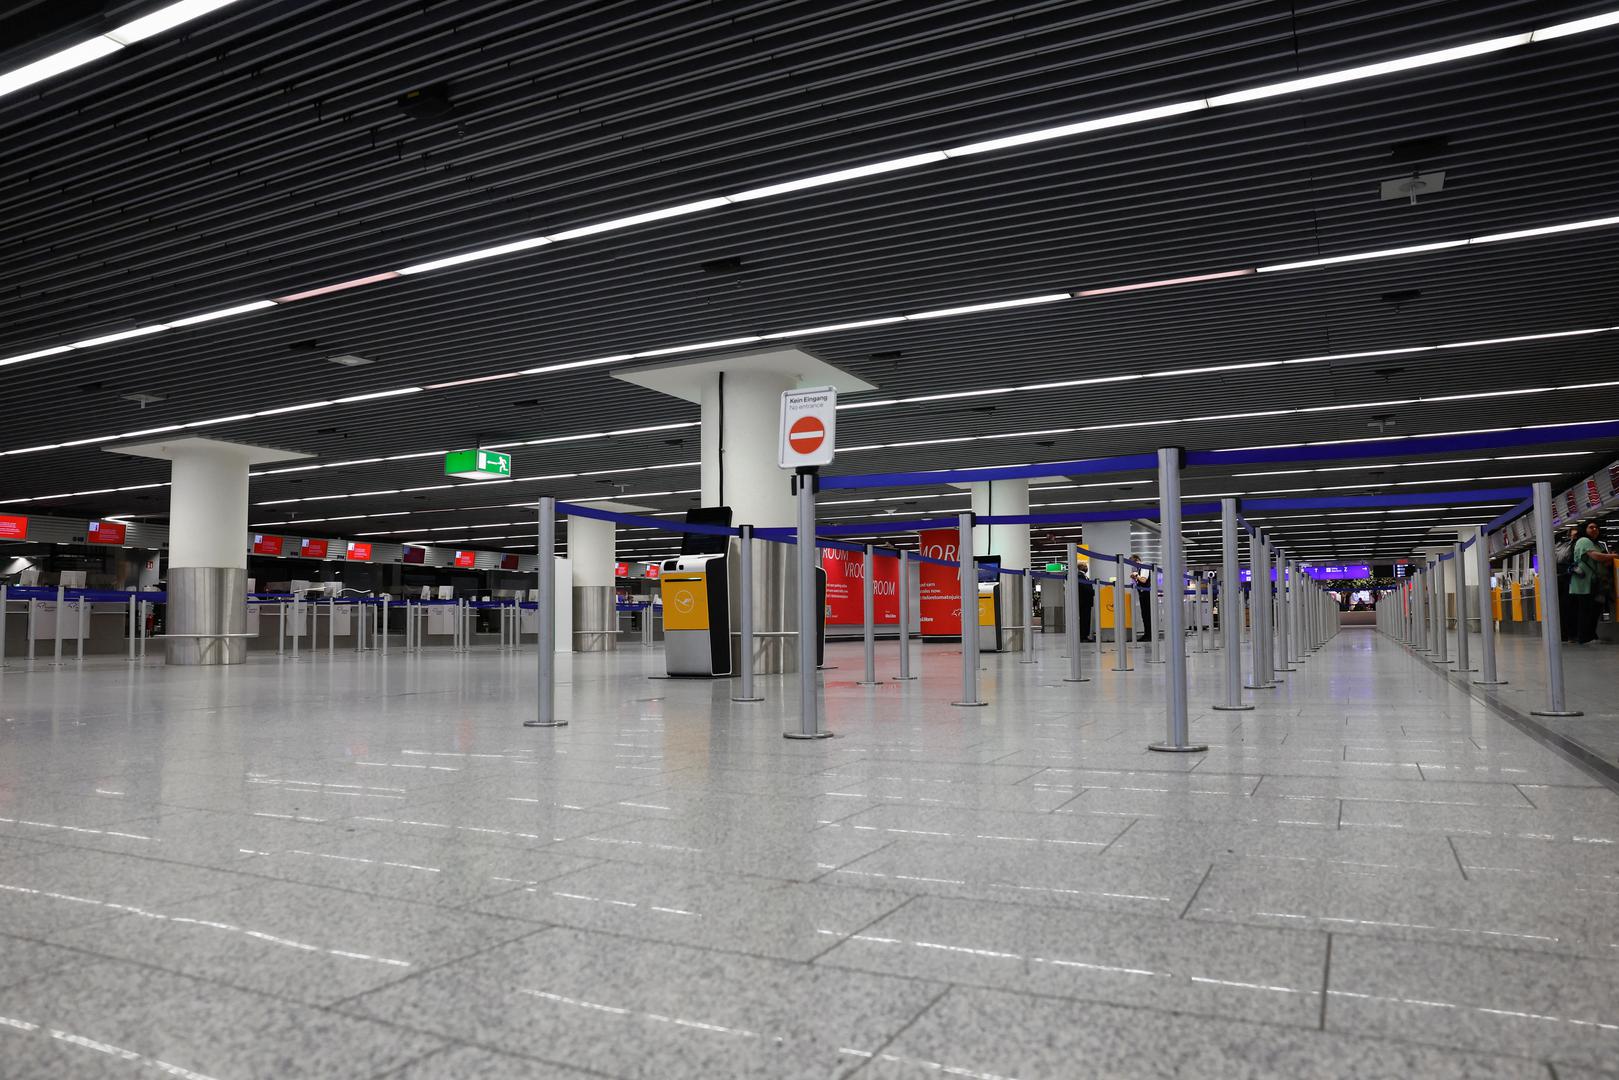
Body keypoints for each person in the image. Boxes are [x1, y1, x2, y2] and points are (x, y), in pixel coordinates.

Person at [1568, 520, 1615, 645]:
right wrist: (1614, 556)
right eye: (1591, 527)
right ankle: (1584, 637)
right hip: (1584, 583)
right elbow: (1595, 556)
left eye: (1596, 527)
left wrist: (1609, 558)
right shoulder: (1584, 541)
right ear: (1585, 529)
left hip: (1594, 583)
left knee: (1594, 610)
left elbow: (1603, 559)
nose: (1595, 529)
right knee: (1586, 610)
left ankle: (1591, 635)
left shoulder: (1597, 544)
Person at [1555, 525, 1580, 643]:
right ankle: (1569, 634)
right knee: (1568, 607)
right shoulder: (1571, 545)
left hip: (1560, 579)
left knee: (1563, 608)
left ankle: (1565, 634)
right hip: (1568, 579)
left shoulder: (1560, 545)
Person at [1132, 561, 1154, 642]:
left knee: (1147, 615)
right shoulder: (1140, 569)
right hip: (1143, 594)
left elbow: (1144, 580)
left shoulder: (1144, 567)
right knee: (1145, 615)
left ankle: (1149, 635)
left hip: (1146, 594)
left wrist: (1136, 575)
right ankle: (1147, 634)